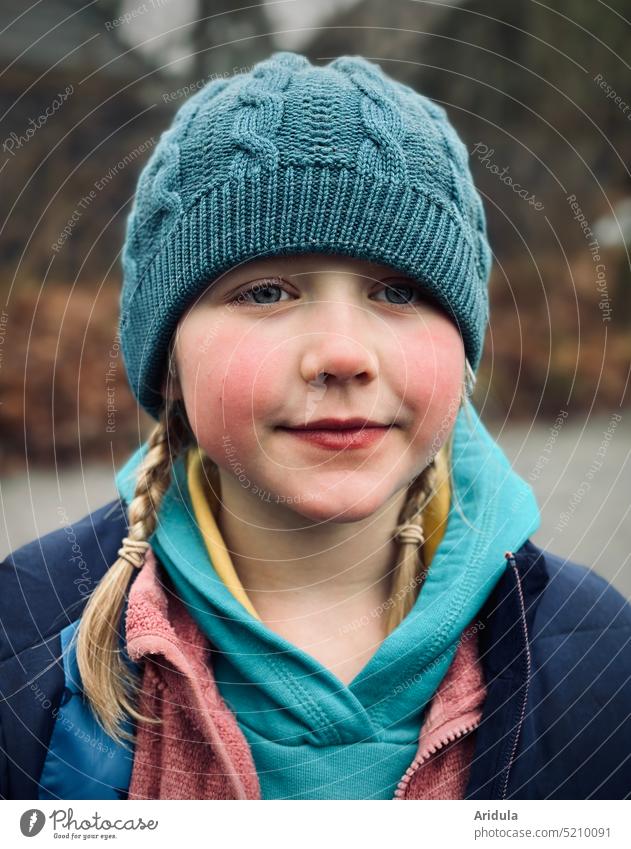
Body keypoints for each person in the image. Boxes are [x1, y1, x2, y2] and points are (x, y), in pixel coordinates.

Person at [1, 51, 630, 801]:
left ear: (462, 350)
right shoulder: (25, 639)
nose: (340, 353)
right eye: (265, 291)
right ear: (168, 361)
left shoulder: (598, 656)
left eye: (397, 292)